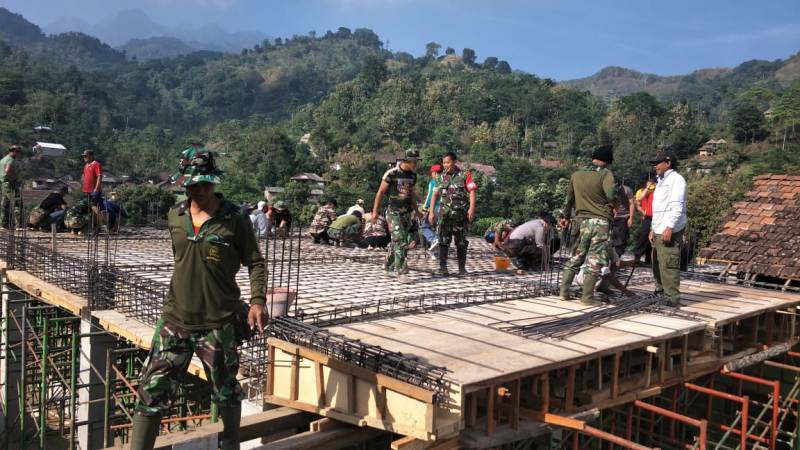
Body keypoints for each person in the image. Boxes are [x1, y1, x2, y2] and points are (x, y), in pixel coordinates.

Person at [130, 145, 267, 450]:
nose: (200, 190)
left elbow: (255, 261)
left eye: (205, 183)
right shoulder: (175, 216)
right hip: (175, 321)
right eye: (193, 184)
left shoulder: (235, 218)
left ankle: (230, 443)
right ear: (185, 184)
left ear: (214, 181)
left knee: (226, 391)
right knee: (151, 393)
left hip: (217, 324)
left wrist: (258, 301)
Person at [558, 144, 617, 305]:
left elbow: (568, 199)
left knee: (577, 256)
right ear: (606, 161)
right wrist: (615, 204)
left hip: (581, 221)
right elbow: (611, 194)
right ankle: (587, 297)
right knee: (595, 259)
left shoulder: (576, 174)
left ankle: (563, 292)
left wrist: (565, 216)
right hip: (599, 222)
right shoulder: (605, 174)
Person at [371, 148, 420, 284]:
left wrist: (417, 211)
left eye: (417, 161)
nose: (415, 164)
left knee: (396, 242)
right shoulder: (392, 173)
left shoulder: (413, 176)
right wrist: (375, 211)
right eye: (413, 161)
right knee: (399, 240)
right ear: (406, 160)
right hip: (393, 212)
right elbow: (380, 193)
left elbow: (411, 196)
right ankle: (402, 272)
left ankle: (387, 265)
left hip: (406, 213)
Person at [649, 149, 687, 306]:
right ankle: (660, 292)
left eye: (658, 163)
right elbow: (658, 208)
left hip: (668, 229)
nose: (655, 166)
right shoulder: (661, 181)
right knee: (657, 263)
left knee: (668, 264)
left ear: (668, 163)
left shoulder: (677, 180)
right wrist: (653, 228)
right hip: (659, 228)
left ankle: (672, 298)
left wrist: (669, 227)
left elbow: (676, 206)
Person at [428, 152, 477, 276]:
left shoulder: (465, 175)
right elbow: (434, 195)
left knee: (461, 241)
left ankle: (462, 269)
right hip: (445, 216)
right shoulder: (440, 177)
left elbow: (471, 191)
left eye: (448, 162)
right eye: (444, 162)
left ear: (454, 162)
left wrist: (471, 208)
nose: (445, 165)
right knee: (443, 241)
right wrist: (431, 212)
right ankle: (443, 268)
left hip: (460, 216)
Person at [420, 164, 442, 255]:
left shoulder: (433, 182)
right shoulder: (446, 180)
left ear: (434, 173)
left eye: (432, 172)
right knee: (438, 229)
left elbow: (430, 196)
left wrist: (424, 207)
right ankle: (437, 252)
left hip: (435, 209)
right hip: (445, 209)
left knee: (424, 227)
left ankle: (433, 240)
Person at [632, 177, 656, 263]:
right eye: (649, 184)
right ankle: (637, 257)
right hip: (648, 217)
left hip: (657, 217)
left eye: (652, 184)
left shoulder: (657, 190)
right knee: (643, 236)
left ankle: (649, 258)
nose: (651, 186)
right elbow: (638, 201)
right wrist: (643, 212)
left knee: (653, 238)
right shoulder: (642, 191)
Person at [610, 180, 635, 257]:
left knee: (621, 239)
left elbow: (631, 204)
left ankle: (618, 258)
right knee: (611, 238)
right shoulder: (609, 189)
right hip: (611, 216)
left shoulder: (627, 190)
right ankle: (611, 259)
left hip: (623, 216)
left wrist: (631, 218)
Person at [0, 145, 22, 229]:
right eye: (18, 152)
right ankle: (19, 225)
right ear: (14, 151)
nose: (18, 154)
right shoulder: (10, 160)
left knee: (5, 204)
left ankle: (3, 224)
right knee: (16, 202)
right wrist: (13, 178)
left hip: (3, 184)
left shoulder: (3, 160)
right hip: (10, 183)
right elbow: (7, 170)